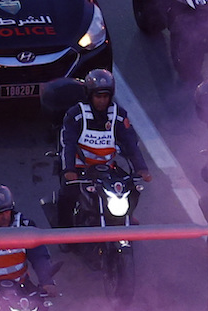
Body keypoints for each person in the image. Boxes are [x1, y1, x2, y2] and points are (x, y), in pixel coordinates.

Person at [50, 72, 144, 227]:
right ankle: (64, 232)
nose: (102, 101)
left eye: (105, 97)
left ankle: (127, 215)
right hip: (79, 168)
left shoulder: (119, 115)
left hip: (106, 168)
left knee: (132, 189)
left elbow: (130, 142)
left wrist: (141, 168)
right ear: (90, 95)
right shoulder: (76, 114)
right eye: (98, 97)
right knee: (68, 194)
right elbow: (68, 143)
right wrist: (69, 170)